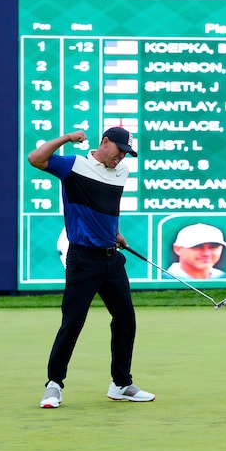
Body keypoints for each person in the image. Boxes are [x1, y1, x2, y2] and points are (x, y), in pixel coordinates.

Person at [28, 127, 155, 408]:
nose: (121, 157)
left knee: (126, 319)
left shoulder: (122, 172)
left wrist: (116, 232)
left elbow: (110, 208)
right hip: (83, 260)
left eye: (126, 154)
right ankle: (53, 385)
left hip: (111, 259)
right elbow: (35, 158)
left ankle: (121, 384)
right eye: (119, 150)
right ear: (105, 142)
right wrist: (66, 139)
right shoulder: (73, 165)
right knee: (73, 322)